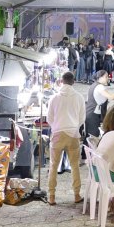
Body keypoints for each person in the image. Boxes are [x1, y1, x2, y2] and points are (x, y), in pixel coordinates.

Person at [46, 71, 86, 205]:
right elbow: (82, 118)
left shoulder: (54, 98)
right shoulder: (79, 97)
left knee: (53, 165)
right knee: (75, 166)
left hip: (57, 134)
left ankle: (51, 196)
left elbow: (49, 118)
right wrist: (74, 126)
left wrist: (57, 126)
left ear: (61, 81)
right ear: (73, 82)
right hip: (73, 134)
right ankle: (76, 194)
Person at [86, 70, 114, 137]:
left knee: (91, 136)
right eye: (106, 76)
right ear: (100, 77)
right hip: (93, 114)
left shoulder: (94, 85)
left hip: (92, 113)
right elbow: (111, 97)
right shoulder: (99, 87)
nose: (108, 78)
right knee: (93, 136)